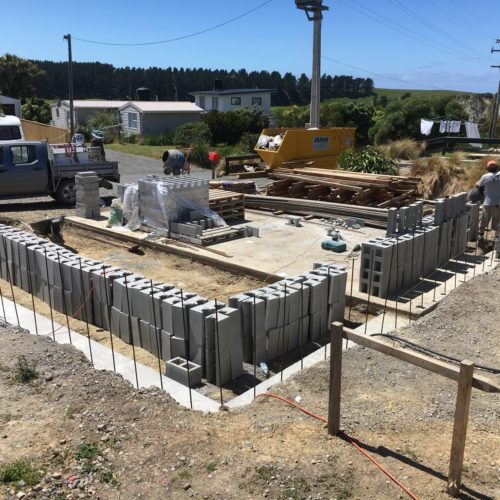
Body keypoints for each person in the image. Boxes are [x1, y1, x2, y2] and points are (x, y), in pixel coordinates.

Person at [476, 159, 500, 243]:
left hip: (488, 202)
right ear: (497, 167)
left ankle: (480, 236)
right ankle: (497, 239)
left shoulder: (485, 176)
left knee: (484, 220)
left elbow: (478, 186)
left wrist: (483, 194)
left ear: (488, 168)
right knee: (498, 222)